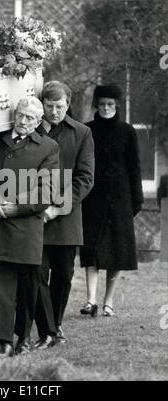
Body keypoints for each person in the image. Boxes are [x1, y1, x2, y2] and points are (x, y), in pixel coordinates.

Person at [0, 97, 60, 357]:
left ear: (39, 122)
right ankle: (4, 340)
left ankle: (24, 338)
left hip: (27, 226)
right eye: (20, 115)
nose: (23, 121)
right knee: (1, 285)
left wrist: (17, 206)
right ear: (13, 114)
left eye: (30, 118)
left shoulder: (49, 147)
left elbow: (47, 190)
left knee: (29, 287)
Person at [25, 81, 95, 349]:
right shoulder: (31, 130)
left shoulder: (82, 133)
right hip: (34, 216)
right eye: (50, 106)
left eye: (60, 106)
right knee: (37, 274)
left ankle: (55, 324)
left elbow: (85, 178)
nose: (54, 112)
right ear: (42, 104)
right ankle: (48, 332)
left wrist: (57, 208)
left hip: (66, 217)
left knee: (63, 275)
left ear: (68, 105)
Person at [80, 85, 144, 317]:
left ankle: (108, 302)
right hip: (92, 200)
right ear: (96, 104)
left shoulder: (127, 131)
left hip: (121, 200)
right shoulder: (87, 130)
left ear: (116, 105)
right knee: (91, 249)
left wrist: (137, 200)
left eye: (110, 104)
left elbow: (135, 167)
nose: (106, 108)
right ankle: (91, 300)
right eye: (102, 104)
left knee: (117, 252)